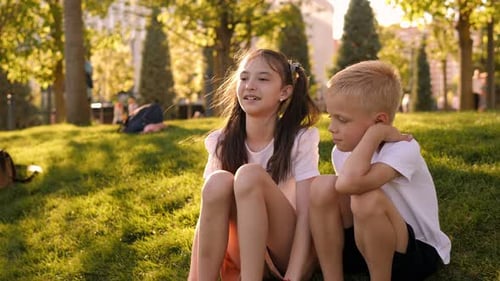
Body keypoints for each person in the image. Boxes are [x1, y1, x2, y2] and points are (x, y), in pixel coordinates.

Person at [309, 60, 451, 281]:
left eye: (342, 119)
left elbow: (350, 184)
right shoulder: (342, 151)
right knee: (320, 186)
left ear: (380, 121)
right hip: (365, 242)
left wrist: (376, 135)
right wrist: (373, 134)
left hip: (413, 252)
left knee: (365, 198)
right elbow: (343, 189)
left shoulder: (404, 149)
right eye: (331, 117)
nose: (332, 127)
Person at [188, 49, 321, 281]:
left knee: (249, 175)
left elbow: (306, 214)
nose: (250, 85)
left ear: (284, 92)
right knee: (218, 181)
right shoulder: (221, 141)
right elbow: (207, 215)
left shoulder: (300, 139)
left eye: (263, 79)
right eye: (244, 77)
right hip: (242, 251)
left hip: (285, 252)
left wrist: (295, 274)